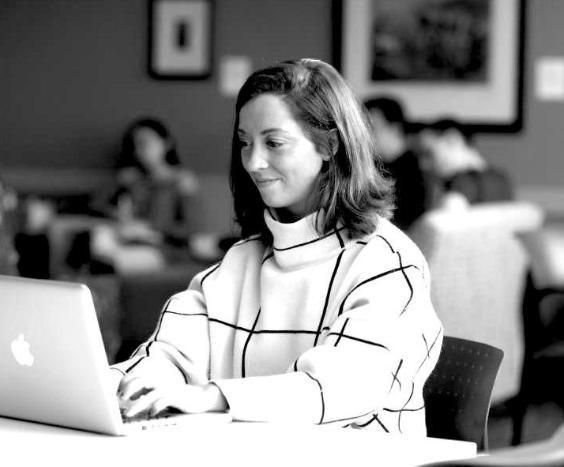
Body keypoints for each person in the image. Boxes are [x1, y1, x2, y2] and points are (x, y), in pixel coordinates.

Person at [110, 59, 443, 435]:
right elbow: (169, 350)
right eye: (244, 142)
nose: (253, 162)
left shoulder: (386, 263)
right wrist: (125, 382)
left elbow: (336, 388)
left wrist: (210, 397)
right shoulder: (242, 258)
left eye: (274, 143)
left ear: (329, 145)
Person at [66, 117, 199, 273]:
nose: (139, 151)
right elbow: (97, 206)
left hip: (160, 248)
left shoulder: (182, 182)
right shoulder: (131, 180)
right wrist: (118, 214)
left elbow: (191, 230)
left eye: (145, 143)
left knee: (107, 262)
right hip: (124, 239)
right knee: (94, 238)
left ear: (166, 143)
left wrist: (153, 232)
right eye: (135, 146)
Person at [364, 96, 432, 230]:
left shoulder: (417, 171)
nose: (365, 136)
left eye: (372, 128)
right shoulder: (372, 165)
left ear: (395, 128)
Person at [418, 118, 513, 205]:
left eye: (428, 154)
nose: (423, 164)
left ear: (452, 140)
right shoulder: (501, 180)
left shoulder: (460, 185)